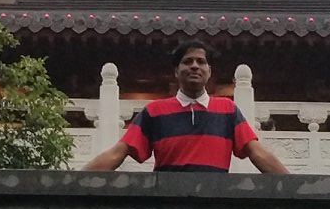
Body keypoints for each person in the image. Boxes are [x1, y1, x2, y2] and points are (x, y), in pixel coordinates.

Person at [84, 40, 289, 174]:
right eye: (187, 61)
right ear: (176, 71)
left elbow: (258, 153)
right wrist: (72, 181)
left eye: (201, 62)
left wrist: (294, 187)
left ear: (210, 71)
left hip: (215, 205)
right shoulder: (154, 112)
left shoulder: (228, 110)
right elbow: (117, 154)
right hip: (167, 206)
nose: (194, 66)